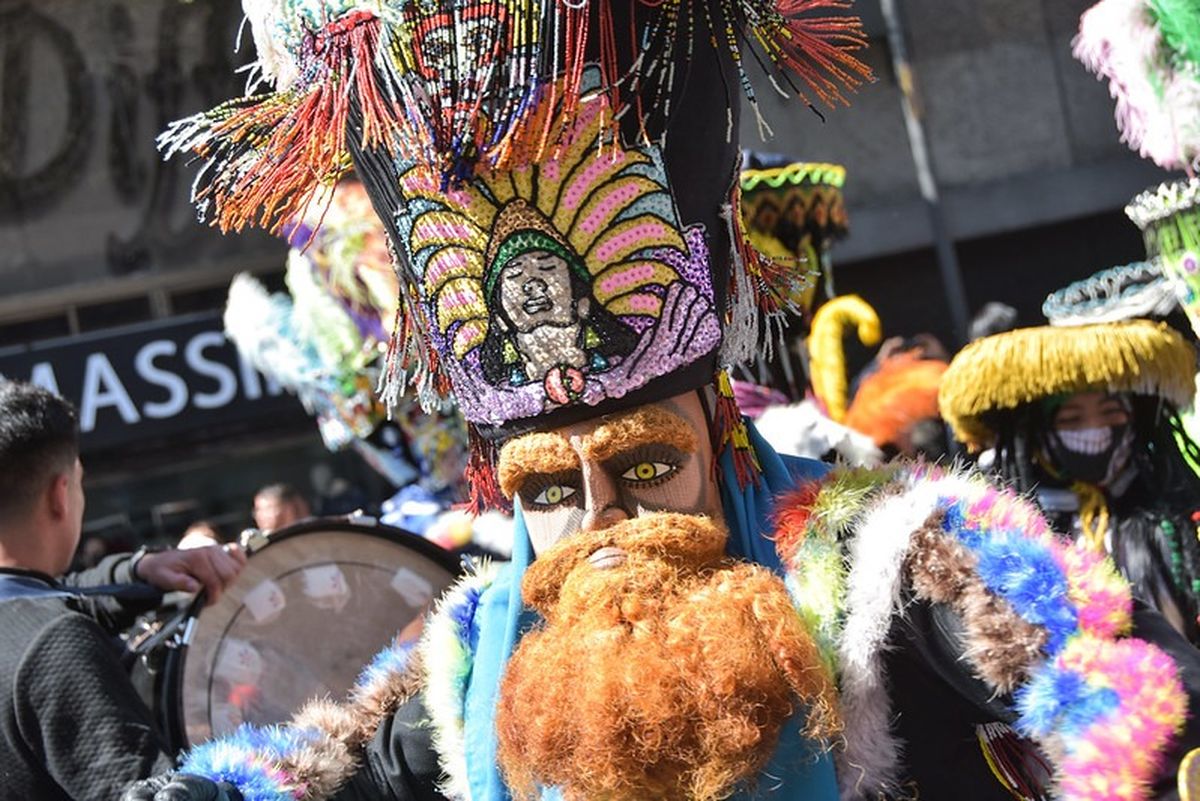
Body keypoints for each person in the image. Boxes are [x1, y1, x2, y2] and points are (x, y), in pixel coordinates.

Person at [132, 1, 1200, 799]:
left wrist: (1115, 737)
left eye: (645, 467)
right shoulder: (474, 652)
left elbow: (1125, 683)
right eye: (548, 487)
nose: (598, 520)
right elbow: (309, 770)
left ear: (724, 439)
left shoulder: (878, 557)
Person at [0, 380, 247, 801]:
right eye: (79, 483)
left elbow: (55, 595)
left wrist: (139, 569)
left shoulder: (26, 620)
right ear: (61, 495)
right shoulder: (56, 643)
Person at [940, 277, 1200, 644]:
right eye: (1071, 419)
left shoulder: (1175, 517)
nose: (1095, 429)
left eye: (1110, 412)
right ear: (1036, 433)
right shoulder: (1002, 533)